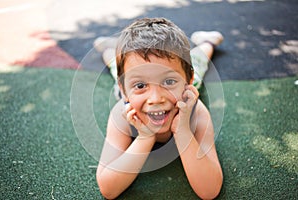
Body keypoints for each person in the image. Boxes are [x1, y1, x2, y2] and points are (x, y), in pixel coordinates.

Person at [94, 17, 223, 200]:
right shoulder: (121, 116)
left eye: (169, 81)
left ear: (187, 81)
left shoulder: (197, 114)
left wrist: (183, 130)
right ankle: (109, 48)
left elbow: (209, 191)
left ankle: (206, 42)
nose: (156, 99)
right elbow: (108, 188)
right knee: (116, 66)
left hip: (186, 76)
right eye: (140, 86)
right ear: (124, 91)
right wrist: (145, 137)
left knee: (199, 60)